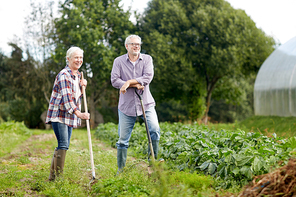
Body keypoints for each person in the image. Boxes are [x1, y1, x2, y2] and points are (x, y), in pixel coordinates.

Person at [111, 35, 161, 173]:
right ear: (127, 46)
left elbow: (147, 77)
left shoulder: (147, 59)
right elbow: (115, 80)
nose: (136, 46)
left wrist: (128, 83)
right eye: (133, 44)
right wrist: (133, 83)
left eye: (138, 44)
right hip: (126, 106)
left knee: (155, 130)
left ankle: (153, 162)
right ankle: (121, 170)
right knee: (122, 140)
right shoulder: (118, 61)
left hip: (146, 103)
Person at [46, 46, 90, 181]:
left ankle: (52, 178)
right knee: (63, 144)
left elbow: (76, 96)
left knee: (63, 145)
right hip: (59, 115)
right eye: (76, 57)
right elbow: (67, 100)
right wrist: (80, 114)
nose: (79, 60)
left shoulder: (77, 76)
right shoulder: (64, 75)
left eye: (81, 58)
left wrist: (83, 87)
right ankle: (58, 179)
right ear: (68, 59)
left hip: (68, 116)